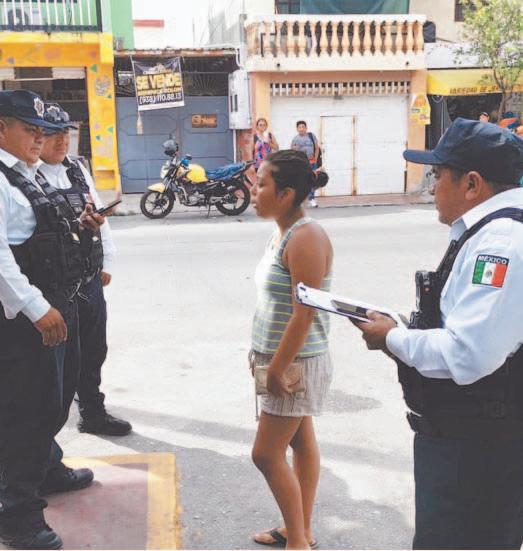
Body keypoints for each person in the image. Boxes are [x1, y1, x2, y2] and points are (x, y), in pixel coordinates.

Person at [355, 118, 523, 550]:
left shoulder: (500, 242)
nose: (431, 188)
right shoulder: (491, 232)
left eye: (437, 175)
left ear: (472, 184)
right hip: (470, 441)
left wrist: (392, 338)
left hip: (475, 451)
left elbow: (468, 354)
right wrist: (404, 329)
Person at [0, 90, 106, 549]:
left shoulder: (28, 175)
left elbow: (41, 232)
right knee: (27, 412)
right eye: (30, 130)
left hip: (59, 303)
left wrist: (81, 226)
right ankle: (17, 514)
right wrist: (36, 308)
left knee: (55, 401)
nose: (40, 139)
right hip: (27, 320)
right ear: (1, 128)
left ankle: (45, 468)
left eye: (42, 131)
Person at [249, 150, 333, 550]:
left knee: (266, 455)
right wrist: (261, 357)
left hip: (294, 362)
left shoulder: (306, 237)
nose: (253, 192)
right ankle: (299, 530)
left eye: (261, 185)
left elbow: (304, 314)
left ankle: (298, 542)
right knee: (300, 442)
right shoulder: (282, 232)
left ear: (285, 194)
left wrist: (277, 369)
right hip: (280, 358)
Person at [39, 103, 132, 436]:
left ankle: (92, 413)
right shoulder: (27, 175)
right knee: (60, 363)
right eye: (52, 133)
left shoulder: (76, 168)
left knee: (94, 351)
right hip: (56, 288)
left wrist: (107, 261)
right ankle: (44, 441)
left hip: (89, 280)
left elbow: (100, 216)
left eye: (65, 133)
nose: (62, 140)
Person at [291, 121, 320, 208]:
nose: (301, 129)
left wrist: (315, 158)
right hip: (302, 163)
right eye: (299, 127)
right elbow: (293, 151)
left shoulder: (311, 136)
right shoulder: (295, 139)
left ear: (306, 128)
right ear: (297, 129)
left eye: (303, 127)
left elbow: (316, 148)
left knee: (313, 181)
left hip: (312, 162)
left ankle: (311, 199)